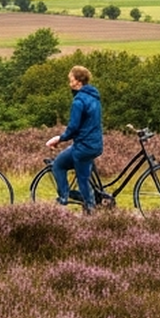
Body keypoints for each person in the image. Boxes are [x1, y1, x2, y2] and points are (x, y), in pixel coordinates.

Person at [44, 65, 103, 212]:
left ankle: (68, 199)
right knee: (83, 174)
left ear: (78, 82)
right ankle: (90, 201)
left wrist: (59, 139)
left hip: (83, 147)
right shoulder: (94, 97)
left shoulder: (79, 101)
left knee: (59, 165)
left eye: (71, 80)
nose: (69, 83)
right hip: (96, 145)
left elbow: (73, 128)